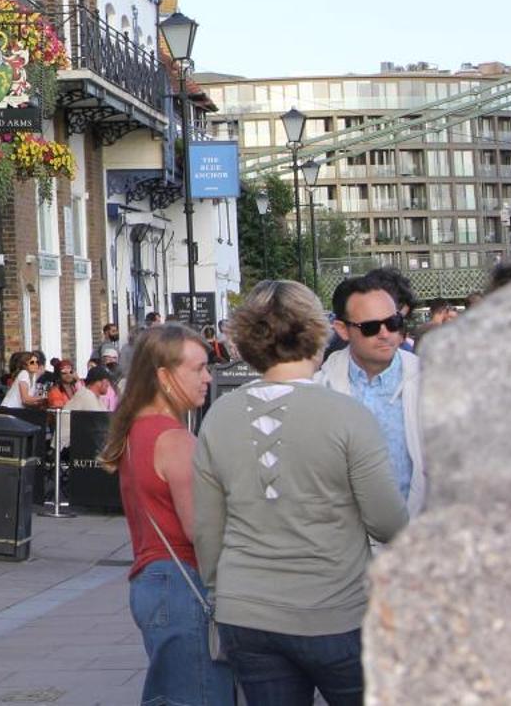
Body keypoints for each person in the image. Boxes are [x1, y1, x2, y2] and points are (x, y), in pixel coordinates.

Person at [194, 280, 408, 705]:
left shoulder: (219, 416)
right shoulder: (347, 416)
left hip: (248, 613)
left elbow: (207, 529)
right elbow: (387, 521)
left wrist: (221, 587)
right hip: (335, 609)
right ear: (319, 331)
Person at [102, 323, 236, 706]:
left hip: (153, 579)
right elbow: (202, 529)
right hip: (183, 582)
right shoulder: (174, 439)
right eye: (198, 368)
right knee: (200, 695)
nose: (208, 377)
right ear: (163, 376)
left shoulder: (136, 431)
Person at [319, 272, 426, 515]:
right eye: (370, 327)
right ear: (342, 330)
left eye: (393, 323)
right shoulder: (320, 388)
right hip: (343, 541)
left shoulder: (430, 382)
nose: (385, 333)